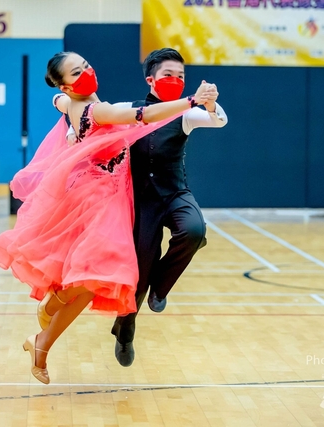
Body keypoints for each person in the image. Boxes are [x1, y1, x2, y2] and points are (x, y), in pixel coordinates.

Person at [0, 51, 217, 384]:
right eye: (76, 72)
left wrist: (64, 111)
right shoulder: (98, 110)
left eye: (85, 66)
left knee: (90, 280)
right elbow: (145, 114)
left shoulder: (72, 103)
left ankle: (44, 334)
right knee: (93, 278)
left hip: (100, 194)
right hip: (102, 201)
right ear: (67, 85)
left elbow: (58, 103)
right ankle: (46, 325)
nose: (86, 72)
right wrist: (191, 101)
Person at [111, 48, 228, 367]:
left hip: (175, 193)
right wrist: (70, 122)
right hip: (141, 201)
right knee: (137, 276)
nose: (175, 80)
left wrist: (210, 103)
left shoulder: (185, 114)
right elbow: (95, 118)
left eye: (181, 76)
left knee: (194, 230)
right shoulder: (129, 111)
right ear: (150, 79)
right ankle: (125, 331)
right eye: (168, 75)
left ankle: (160, 288)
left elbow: (219, 120)